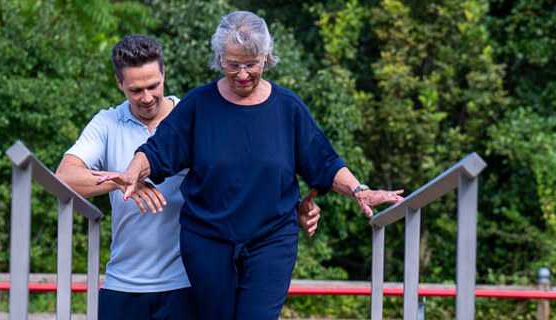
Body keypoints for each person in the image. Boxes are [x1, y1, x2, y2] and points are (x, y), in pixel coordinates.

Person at [96, 12, 405, 319]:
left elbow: (324, 161)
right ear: (219, 59)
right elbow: (158, 149)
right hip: (208, 238)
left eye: (251, 64)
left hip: (271, 239)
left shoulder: (288, 109)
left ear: (266, 57)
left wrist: (358, 190)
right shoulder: (198, 105)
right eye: (233, 64)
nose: (242, 74)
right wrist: (131, 173)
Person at [55, 35, 323, 320]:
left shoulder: (198, 113)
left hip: (187, 285)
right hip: (122, 282)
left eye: (153, 86)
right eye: (135, 90)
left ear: (164, 73)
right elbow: (64, 178)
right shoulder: (106, 124)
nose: (147, 97)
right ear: (119, 83)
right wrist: (124, 179)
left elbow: (249, 180)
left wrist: (292, 208)